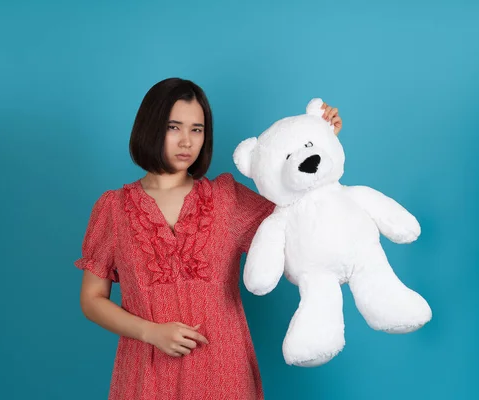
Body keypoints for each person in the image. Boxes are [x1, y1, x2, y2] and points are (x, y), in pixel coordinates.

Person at [74, 77, 343, 400]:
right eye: (174, 127)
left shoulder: (226, 199)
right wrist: (151, 332)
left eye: (197, 129)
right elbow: (92, 299)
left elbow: (300, 218)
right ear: (150, 127)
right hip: (147, 375)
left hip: (223, 373)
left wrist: (320, 140)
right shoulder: (113, 208)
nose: (186, 141)